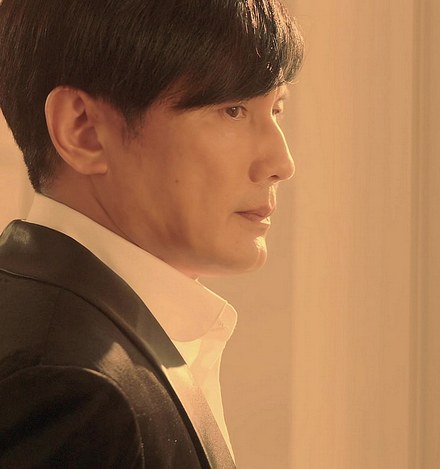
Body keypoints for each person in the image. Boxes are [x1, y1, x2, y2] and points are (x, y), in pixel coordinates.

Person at [0, 0, 303, 466]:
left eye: (276, 108)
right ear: (83, 130)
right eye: (233, 110)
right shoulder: (73, 386)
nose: (280, 164)